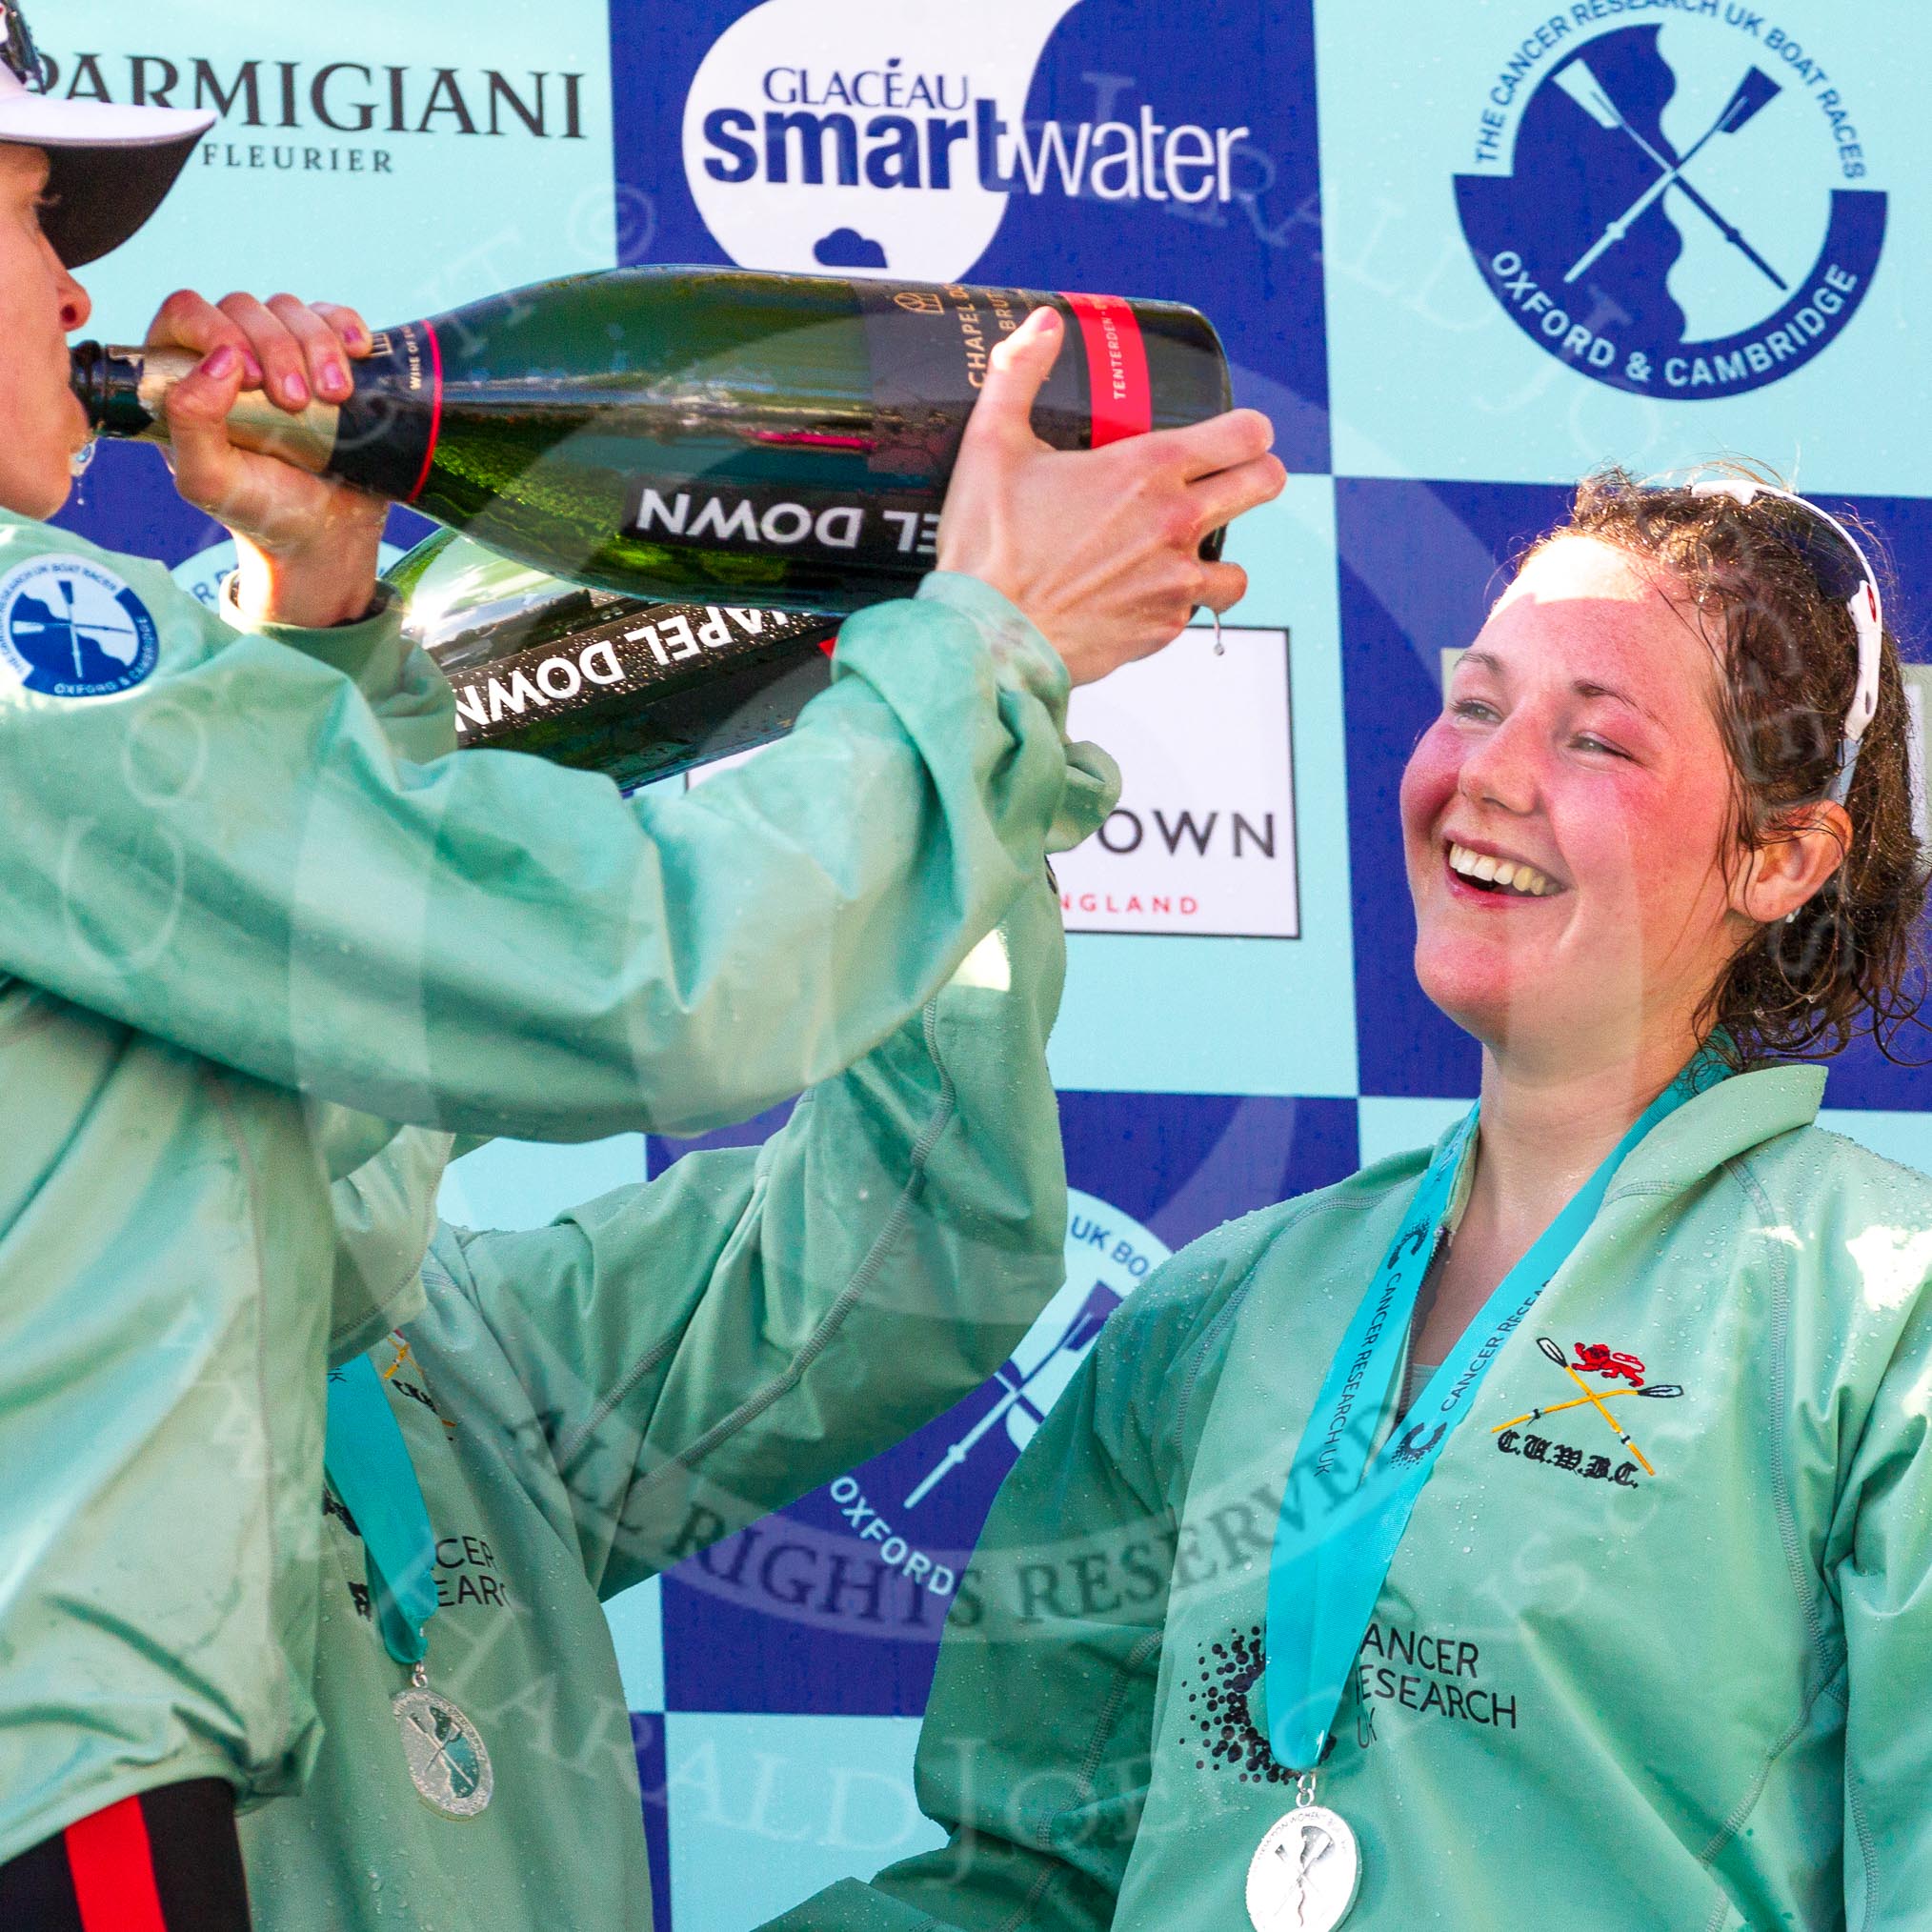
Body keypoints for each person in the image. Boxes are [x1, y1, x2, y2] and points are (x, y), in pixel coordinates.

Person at [0, 3, 1287, 1922]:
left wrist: (328, 620)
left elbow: (302, 1042)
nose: (71, 285)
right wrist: (980, 655)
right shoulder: (39, 654)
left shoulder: (465, 1374)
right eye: (31, 213)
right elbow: (605, 975)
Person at [765, 471, 1932, 1931]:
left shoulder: (1884, 1317)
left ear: (1779, 856)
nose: (1487, 776)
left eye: (1593, 737)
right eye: (1476, 704)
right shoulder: (1215, 1309)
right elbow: (1030, 1887)